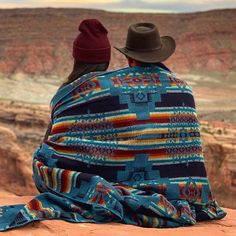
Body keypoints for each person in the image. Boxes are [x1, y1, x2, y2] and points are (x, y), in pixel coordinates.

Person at [0, 21, 226, 232]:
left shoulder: (87, 90)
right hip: (182, 193)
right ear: (161, 53)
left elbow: (58, 151)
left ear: (129, 58)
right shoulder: (183, 90)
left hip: (99, 186)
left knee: (42, 160)